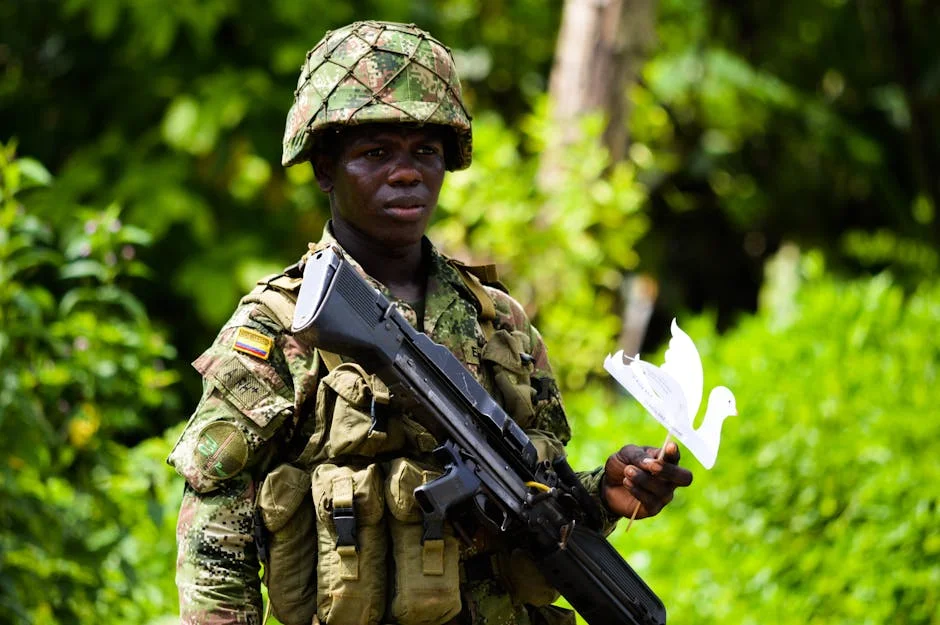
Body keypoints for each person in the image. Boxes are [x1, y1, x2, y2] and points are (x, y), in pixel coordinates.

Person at [168, 20, 692, 625]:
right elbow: (215, 538)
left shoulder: (500, 323)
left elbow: (536, 501)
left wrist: (604, 493)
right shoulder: (279, 327)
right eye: (375, 152)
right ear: (324, 169)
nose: (407, 172)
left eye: (425, 151)